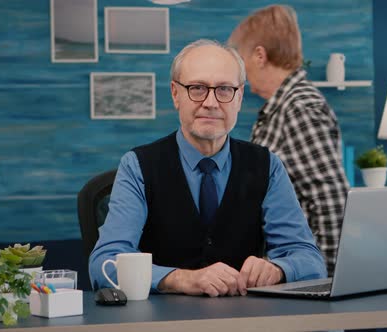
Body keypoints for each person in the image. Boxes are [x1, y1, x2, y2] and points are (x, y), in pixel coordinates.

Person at [89, 39, 326, 297]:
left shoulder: (267, 166)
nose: (211, 102)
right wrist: (180, 279)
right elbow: (104, 265)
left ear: (239, 96)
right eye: (197, 88)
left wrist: (279, 269)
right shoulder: (137, 166)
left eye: (224, 89)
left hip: (246, 321)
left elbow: (311, 262)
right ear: (175, 93)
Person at [228, 5, 350, 276]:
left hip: (302, 281)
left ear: (259, 55)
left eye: (240, 58)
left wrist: (323, 281)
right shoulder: (279, 108)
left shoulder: (299, 108)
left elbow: (331, 202)